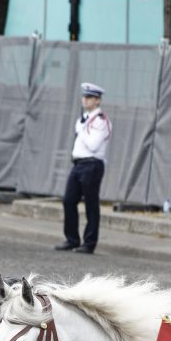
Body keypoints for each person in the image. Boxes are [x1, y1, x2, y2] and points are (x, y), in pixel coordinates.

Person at [55, 82, 111, 255]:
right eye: (84, 96)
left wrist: (81, 130)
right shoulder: (84, 120)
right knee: (69, 200)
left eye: (89, 97)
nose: (85, 100)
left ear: (97, 100)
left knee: (91, 204)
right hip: (78, 164)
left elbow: (93, 145)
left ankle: (89, 243)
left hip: (92, 164)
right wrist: (82, 128)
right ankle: (72, 239)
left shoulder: (101, 121)